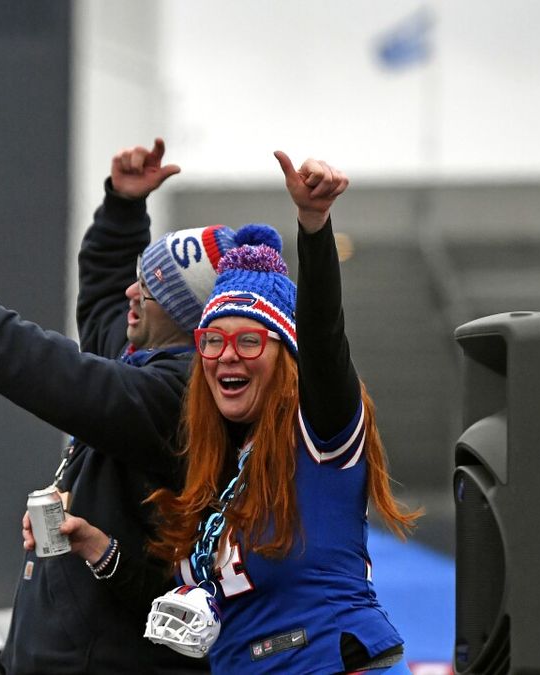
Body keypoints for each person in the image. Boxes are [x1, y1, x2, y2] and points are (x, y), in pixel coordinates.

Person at [0, 139, 230, 674]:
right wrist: (123, 208)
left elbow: (56, 374)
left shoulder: (176, 396)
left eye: (150, 287)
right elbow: (106, 298)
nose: (133, 291)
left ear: (181, 311)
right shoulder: (145, 364)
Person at [66, 151, 423, 674]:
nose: (227, 355)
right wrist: (98, 547)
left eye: (250, 341)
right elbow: (190, 608)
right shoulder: (220, 463)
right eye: (212, 341)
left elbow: (324, 337)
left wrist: (314, 226)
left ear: (287, 358)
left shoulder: (319, 433)